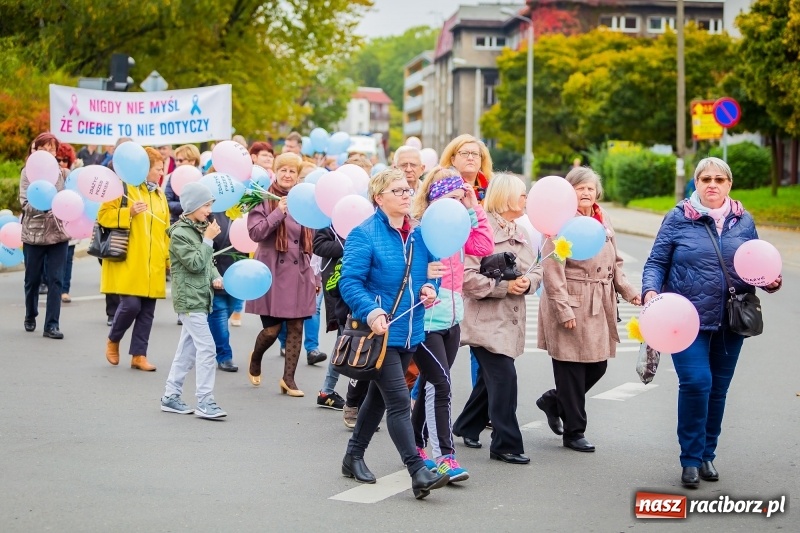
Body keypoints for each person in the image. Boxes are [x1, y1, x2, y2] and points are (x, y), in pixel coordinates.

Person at [641, 157, 782, 488]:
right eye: (706, 179)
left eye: (720, 179)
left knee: (718, 389)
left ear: (729, 184)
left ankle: (707, 455)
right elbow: (656, 261)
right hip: (683, 320)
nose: (713, 184)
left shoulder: (744, 221)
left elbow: (756, 261)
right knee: (696, 383)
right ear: (696, 183)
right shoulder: (677, 218)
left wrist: (770, 280)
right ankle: (689, 459)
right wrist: (649, 291)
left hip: (730, 320)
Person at [338, 167, 449, 499]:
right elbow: (349, 282)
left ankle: (352, 456)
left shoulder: (418, 232)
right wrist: (371, 311)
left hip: (410, 331)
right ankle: (418, 470)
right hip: (380, 333)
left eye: (408, 190)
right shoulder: (364, 233)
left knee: (377, 399)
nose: (406, 195)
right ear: (379, 197)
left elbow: (434, 268)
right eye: (398, 191)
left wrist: (431, 286)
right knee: (399, 401)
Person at [536, 167, 641, 453]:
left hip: (599, 301)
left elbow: (615, 263)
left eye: (590, 188)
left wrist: (630, 292)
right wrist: (563, 309)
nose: (585, 192)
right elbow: (552, 270)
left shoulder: (602, 219)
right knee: (570, 367)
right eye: (579, 188)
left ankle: (554, 401)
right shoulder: (560, 224)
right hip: (572, 299)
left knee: (597, 364)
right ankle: (574, 431)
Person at [409, 166, 494, 481]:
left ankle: (416, 444)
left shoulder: (459, 228)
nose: (457, 203)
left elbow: (484, 247)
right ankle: (444, 456)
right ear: (434, 198)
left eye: (461, 197)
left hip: (452, 320)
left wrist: (474, 209)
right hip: (426, 321)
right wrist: (423, 283)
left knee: (433, 384)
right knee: (442, 386)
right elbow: (410, 274)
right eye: (451, 197)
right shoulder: (421, 230)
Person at [452, 173, 541, 465]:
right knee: (504, 379)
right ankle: (506, 443)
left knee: (490, 380)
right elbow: (466, 277)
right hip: (483, 321)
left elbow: (536, 269)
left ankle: (466, 424)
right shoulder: (479, 229)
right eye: (522, 194)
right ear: (505, 197)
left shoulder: (522, 231)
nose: (527, 199)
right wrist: (504, 287)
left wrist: (529, 284)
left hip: (509, 319)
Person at [246, 152, 318, 396]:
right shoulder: (263, 199)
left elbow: (314, 243)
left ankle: (289, 379)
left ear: (298, 176)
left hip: (300, 272)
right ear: (275, 171)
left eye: (292, 171)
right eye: (283, 170)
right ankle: (256, 358)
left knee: (297, 327)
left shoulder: (306, 200)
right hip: (272, 271)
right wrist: (278, 211)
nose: (287, 175)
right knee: (272, 330)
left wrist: (315, 277)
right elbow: (255, 233)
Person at [161, 182, 227, 419]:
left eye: (210, 204)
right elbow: (196, 263)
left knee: (187, 351)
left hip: (200, 297)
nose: (209, 210)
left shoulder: (199, 228)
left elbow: (207, 265)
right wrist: (208, 240)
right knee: (208, 348)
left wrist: (217, 278)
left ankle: (171, 396)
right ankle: (205, 401)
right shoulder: (180, 233)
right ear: (192, 206)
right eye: (206, 205)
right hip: (190, 300)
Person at [101, 146, 170, 371]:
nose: (161, 173)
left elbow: (165, 230)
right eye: (158, 169)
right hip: (130, 260)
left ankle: (139, 355)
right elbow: (103, 216)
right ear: (144, 168)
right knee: (130, 305)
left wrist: (169, 259)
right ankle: (113, 339)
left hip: (154, 263)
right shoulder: (123, 189)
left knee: (147, 311)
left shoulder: (160, 195)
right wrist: (128, 213)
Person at [19, 133, 71, 339]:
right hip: (34, 234)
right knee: (32, 279)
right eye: (44, 148)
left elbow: (71, 199)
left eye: (52, 149)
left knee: (56, 280)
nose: (49, 152)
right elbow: (24, 203)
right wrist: (45, 204)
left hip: (58, 234)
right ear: (36, 151)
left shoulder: (64, 174)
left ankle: (52, 324)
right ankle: (30, 314)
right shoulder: (27, 174)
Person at [208, 211, 242, 373]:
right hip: (216, 273)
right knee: (219, 313)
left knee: (229, 309)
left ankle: (209, 339)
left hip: (238, 273)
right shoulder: (210, 213)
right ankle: (224, 356)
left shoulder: (243, 211)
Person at [56, 143, 79, 304]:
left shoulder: (73, 176)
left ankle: (65, 290)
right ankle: (54, 286)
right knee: (54, 259)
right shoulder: (48, 175)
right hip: (53, 224)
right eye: (59, 159)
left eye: (65, 160)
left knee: (68, 257)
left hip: (71, 222)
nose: (62, 163)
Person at [439, 134, 492, 200]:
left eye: (475, 154)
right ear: (453, 160)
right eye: (464, 153)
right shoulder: (443, 188)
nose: (470, 158)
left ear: (481, 160)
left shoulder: (492, 188)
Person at [165, 144, 202, 225]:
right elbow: (167, 202)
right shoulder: (173, 177)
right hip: (177, 223)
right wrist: (188, 206)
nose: (177, 163)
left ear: (192, 161)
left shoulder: (202, 177)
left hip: (199, 225)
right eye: (176, 160)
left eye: (181, 160)